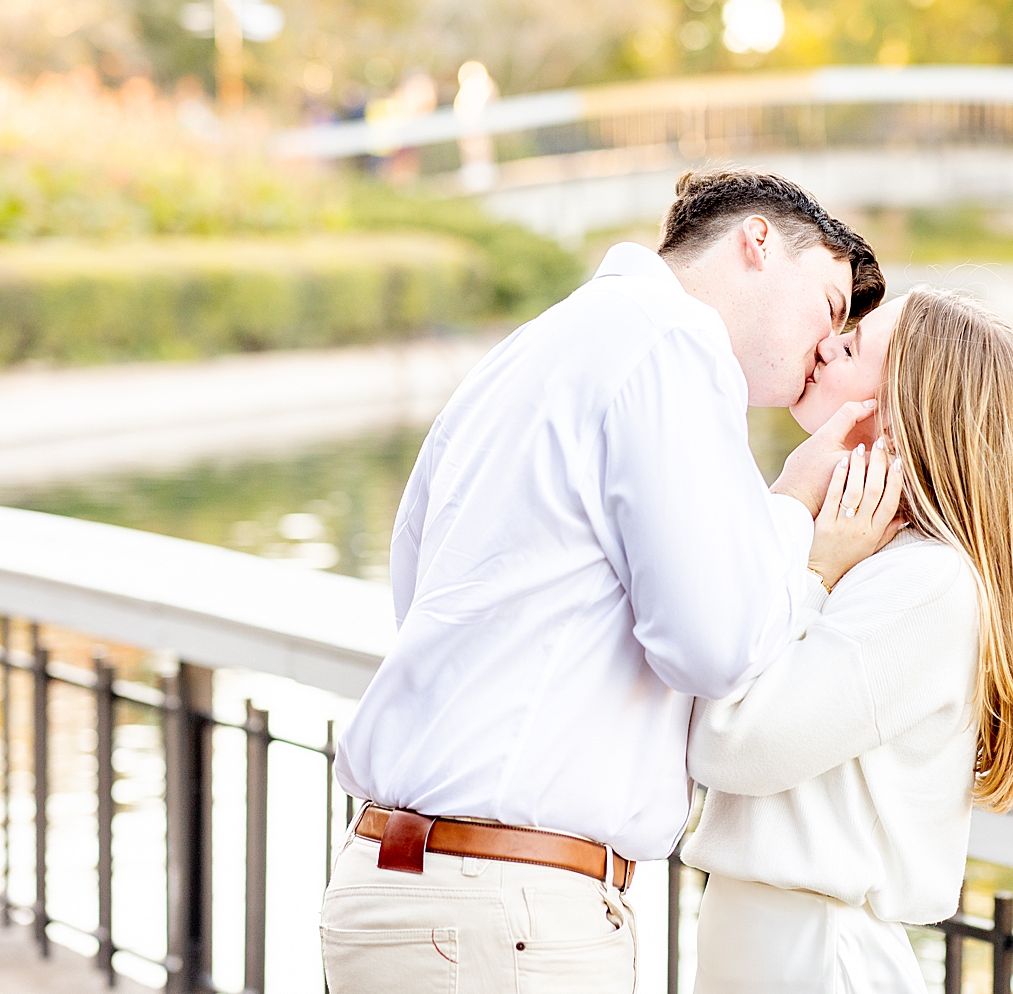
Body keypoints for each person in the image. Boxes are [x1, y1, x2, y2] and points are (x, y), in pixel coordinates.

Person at [321, 168, 884, 994]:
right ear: (758, 241)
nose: (824, 349)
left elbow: (420, 590)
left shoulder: (532, 348)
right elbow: (713, 649)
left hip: (394, 889)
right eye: (830, 308)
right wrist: (800, 517)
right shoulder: (672, 345)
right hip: (505, 908)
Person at [684, 286, 1013, 994]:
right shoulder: (883, 563)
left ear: (904, 417)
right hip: (780, 944)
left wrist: (812, 566)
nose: (826, 345)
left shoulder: (924, 584)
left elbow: (730, 744)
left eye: (853, 347)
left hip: (813, 953)